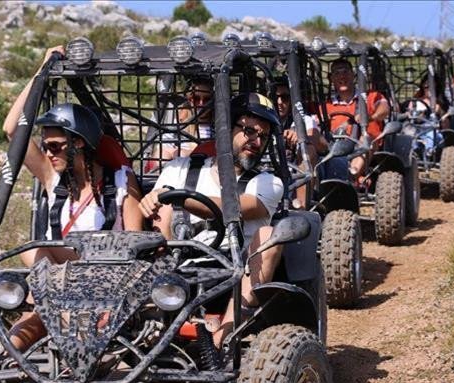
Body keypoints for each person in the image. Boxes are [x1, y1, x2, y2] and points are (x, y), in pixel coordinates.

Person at [2, 46, 144, 351]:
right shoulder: (54, 182)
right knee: (10, 345)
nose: (49, 153)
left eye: (55, 146)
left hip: (109, 285)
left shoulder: (120, 182)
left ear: (79, 143)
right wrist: (43, 70)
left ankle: (82, 339)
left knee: (40, 254)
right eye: (46, 146)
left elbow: (134, 245)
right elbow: (13, 131)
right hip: (59, 292)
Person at [138, 93, 285, 348]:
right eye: (249, 131)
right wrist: (150, 202)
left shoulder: (268, 182)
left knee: (270, 235)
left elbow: (232, 208)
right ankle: (150, 324)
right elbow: (156, 216)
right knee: (160, 220)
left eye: (263, 136)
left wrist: (175, 197)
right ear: (226, 129)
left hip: (235, 271)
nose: (256, 141)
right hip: (178, 267)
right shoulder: (179, 169)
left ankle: (223, 336)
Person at [325, 58, 390, 178]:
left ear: (353, 75)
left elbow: (384, 109)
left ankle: (352, 174)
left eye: (345, 72)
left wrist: (370, 117)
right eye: (337, 73)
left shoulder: (370, 96)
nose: (342, 77)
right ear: (331, 78)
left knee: (366, 139)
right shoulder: (325, 105)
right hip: (335, 146)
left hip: (363, 144)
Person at [274, 76, 328, 208]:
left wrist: (301, 136)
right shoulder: (262, 121)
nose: (280, 102)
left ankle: (301, 206)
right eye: (275, 98)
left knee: (308, 149)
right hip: (267, 172)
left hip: (293, 173)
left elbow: (322, 145)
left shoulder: (304, 120)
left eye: (285, 98)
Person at [145, 75, 216, 172]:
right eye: (196, 98)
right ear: (190, 99)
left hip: (206, 170)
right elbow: (164, 146)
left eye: (207, 99)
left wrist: (187, 153)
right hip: (178, 169)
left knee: (182, 155)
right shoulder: (181, 120)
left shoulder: (217, 124)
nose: (201, 104)